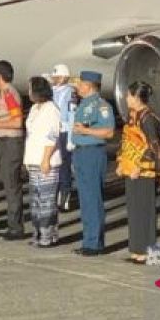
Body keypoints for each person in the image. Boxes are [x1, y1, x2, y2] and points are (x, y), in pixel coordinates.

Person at [116, 81, 160, 265]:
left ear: (136, 97)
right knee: (134, 209)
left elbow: (153, 146)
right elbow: (126, 141)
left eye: (128, 95)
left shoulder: (148, 118)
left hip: (144, 172)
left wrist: (141, 166)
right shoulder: (133, 116)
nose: (126, 98)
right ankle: (136, 248)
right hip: (131, 169)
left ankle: (146, 249)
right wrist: (122, 162)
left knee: (145, 210)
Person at [71, 70, 115, 256]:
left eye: (80, 84)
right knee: (85, 199)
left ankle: (94, 243)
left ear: (89, 85)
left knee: (92, 198)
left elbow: (109, 132)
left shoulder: (101, 105)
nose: (78, 87)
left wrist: (87, 132)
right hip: (80, 153)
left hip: (92, 153)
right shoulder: (83, 104)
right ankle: (88, 239)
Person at [0, 59, 27, 240]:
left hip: (11, 143)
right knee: (10, 185)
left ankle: (15, 227)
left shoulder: (9, 94)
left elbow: (17, 121)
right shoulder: (4, 93)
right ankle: (14, 224)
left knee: (12, 186)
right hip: (6, 143)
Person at [23, 76, 62, 248]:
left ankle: (48, 235)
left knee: (47, 199)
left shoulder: (51, 109)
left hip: (47, 160)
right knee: (36, 200)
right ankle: (38, 232)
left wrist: (45, 159)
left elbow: (52, 136)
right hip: (33, 159)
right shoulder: (34, 109)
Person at [49, 64, 78, 211]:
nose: (55, 80)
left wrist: (71, 138)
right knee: (55, 164)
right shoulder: (52, 91)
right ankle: (56, 195)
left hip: (65, 132)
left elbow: (72, 115)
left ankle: (65, 197)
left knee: (64, 166)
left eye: (58, 77)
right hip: (54, 131)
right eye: (54, 77)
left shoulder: (70, 92)